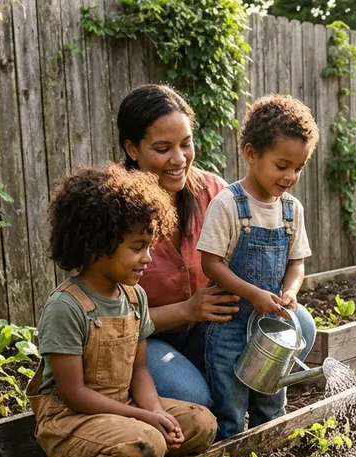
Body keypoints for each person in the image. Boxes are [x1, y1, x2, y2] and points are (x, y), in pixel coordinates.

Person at [27, 164, 217, 457]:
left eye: (149, 245)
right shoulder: (67, 307)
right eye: (137, 247)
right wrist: (146, 419)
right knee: (146, 442)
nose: (147, 258)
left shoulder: (134, 297)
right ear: (97, 244)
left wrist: (159, 413)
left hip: (125, 410)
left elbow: (140, 372)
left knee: (201, 423)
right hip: (72, 420)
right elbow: (74, 393)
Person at [118, 85, 316, 408]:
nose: (179, 159)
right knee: (192, 397)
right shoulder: (115, 212)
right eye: (163, 148)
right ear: (132, 148)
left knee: (301, 326)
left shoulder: (213, 192)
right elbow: (108, 317)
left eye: (185, 144)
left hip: (210, 332)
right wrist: (186, 310)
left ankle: (234, 391)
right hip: (147, 342)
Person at [198, 95, 319, 439]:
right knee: (230, 403)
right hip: (230, 325)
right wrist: (253, 294)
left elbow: (297, 262)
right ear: (251, 154)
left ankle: (268, 455)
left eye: (298, 168)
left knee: (271, 398)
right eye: (282, 166)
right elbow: (211, 263)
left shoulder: (291, 210)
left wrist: (290, 292)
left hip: (271, 324)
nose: (291, 176)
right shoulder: (228, 205)